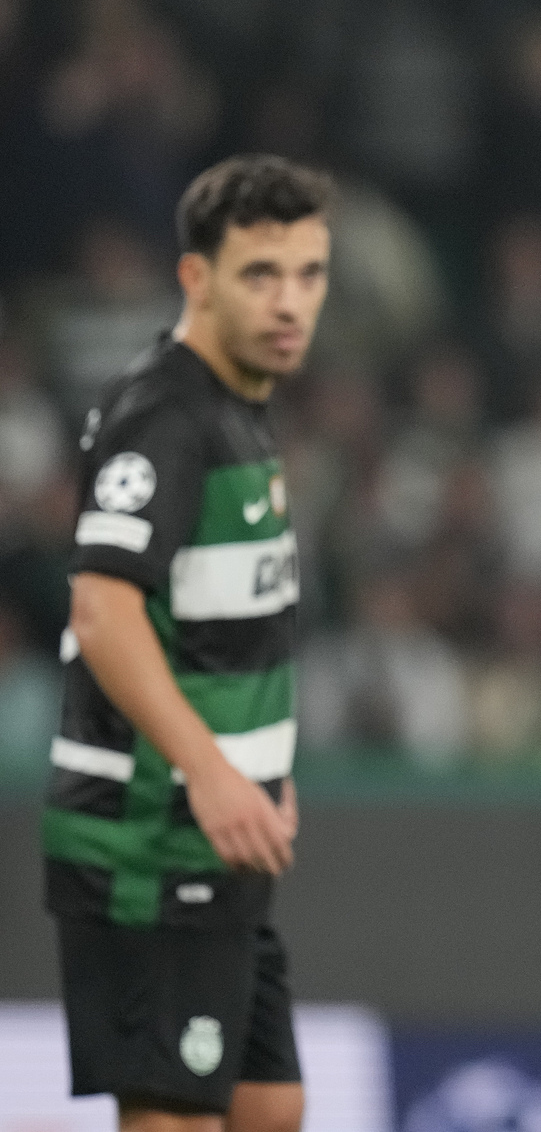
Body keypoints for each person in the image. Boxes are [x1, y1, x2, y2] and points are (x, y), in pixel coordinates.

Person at [45, 155, 332, 1130]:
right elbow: (103, 610)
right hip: (148, 840)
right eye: (261, 275)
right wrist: (209, 770)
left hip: (222, 843)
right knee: (172, 1117)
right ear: (196, 280)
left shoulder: (240, 411)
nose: (290, 302)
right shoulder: (164, 417)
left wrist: (259, 769)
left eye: (308, 274)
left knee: (270, 1108)